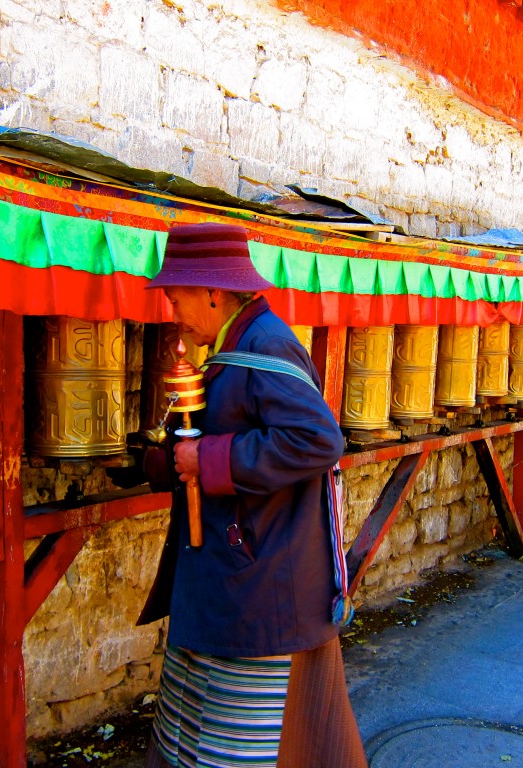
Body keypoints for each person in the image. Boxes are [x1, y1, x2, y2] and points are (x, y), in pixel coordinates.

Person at [131, 222, 367, 768]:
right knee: (199, 722)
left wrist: (208, 460)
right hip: (231, 574)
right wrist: (158, 462)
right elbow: (215, 438)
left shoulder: (266, 346)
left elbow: (317, 439)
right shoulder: (234, 346)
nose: (172, 309)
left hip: (257, 582)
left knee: (241, 741)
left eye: (175, 295)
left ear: (213, 291)